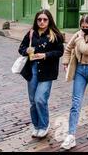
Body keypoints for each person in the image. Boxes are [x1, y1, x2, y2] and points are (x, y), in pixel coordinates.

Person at [60, 14, 88, 150]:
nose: (84, 29)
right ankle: (71, 135)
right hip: (80, 69)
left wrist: (79, 38)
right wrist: (65, 61)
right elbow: (68, 48)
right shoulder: (78, 34)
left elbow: (86, 50)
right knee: (75, 102)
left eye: (87, 27)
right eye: (82, 27)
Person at [18, 9, 64, 139]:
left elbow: (60, 52)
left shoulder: (54, 35)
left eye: (45, 19)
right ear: (36, 20)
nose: (42, 22)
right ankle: (36, 126)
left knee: (40, 99)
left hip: (47, 72)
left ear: (49, 21)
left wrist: (45, 55)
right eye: (39, 19)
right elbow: (21, 48)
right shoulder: (31, 33)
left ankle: (44, 125)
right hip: (32, 70)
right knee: (33, 101)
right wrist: (26, 50)